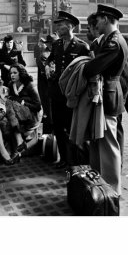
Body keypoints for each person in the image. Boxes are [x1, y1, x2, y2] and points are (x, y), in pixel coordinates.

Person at [82, 4, 128, 196]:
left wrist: (87, 64)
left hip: (109, 96)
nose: (96, 22)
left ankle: (111, 193)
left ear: (107, 19)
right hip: (107, 95)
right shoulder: (110, 40)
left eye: (99, 19)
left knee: (109, 146)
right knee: (101, 142)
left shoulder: (114, 42)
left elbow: (91, 69)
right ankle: (102, 187)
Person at [45, 10, 90, 168]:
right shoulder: (57, 44)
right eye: (56, 24)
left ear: (70, 26)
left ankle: (75, 161)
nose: (57, 27)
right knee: (57, 126)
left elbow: (87, 70)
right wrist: (47, 67)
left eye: (60, 24)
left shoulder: (82, 46)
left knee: (72, 127)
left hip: (72, 94)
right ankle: (64, 159)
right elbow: (50, 59)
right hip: (56, 93)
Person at [6, 63, 42, 158]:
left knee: (10, 105)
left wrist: (24, 103)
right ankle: (18, 147)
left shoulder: (29, 86)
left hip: (30, 116)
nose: (12, 75)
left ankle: (17, 143)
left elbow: (38, 106)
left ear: (20, 73)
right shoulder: (10, 85)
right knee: (9, 105)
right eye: (11, 73)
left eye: (15, 73)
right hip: (16, 116)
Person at [35, 34, 58, 133]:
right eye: (52, 44)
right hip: (47, 88)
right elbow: (49, 74)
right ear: (48, 44)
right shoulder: (44, 55)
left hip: (56, 87)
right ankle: (49, 133)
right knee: (49, 111)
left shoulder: (58, 52)